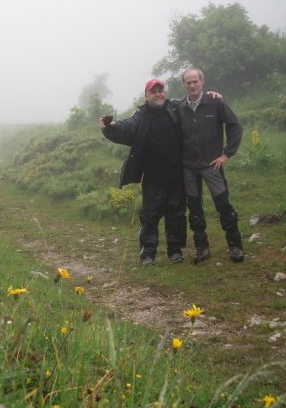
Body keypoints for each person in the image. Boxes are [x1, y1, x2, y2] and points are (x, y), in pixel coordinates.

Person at [99, 79, 186, 266]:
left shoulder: (175, 107)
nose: (158, 94)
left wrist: (211, 95)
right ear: (146, 95)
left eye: (160, 91)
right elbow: (124, 128)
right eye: (153, 92)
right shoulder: (140, 114)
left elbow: (195, 103)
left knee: (176, 213)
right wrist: (109, 127)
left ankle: (175, 251)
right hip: (152, 175)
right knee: (150, 216)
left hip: (176, 173)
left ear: (164, 92)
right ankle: (147, 254)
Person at [178, 67, 244, 263]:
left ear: (202, 82)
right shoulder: (180, 107)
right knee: (195, 209)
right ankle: (202, 248)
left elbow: (235, 126)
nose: (192, 85)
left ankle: (235, 246)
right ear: (184, 85)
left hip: (211, 165)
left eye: (195, 81)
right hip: (189, 167)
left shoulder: (215, 102)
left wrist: (226, 154)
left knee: (223, 205)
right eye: (188, 82)